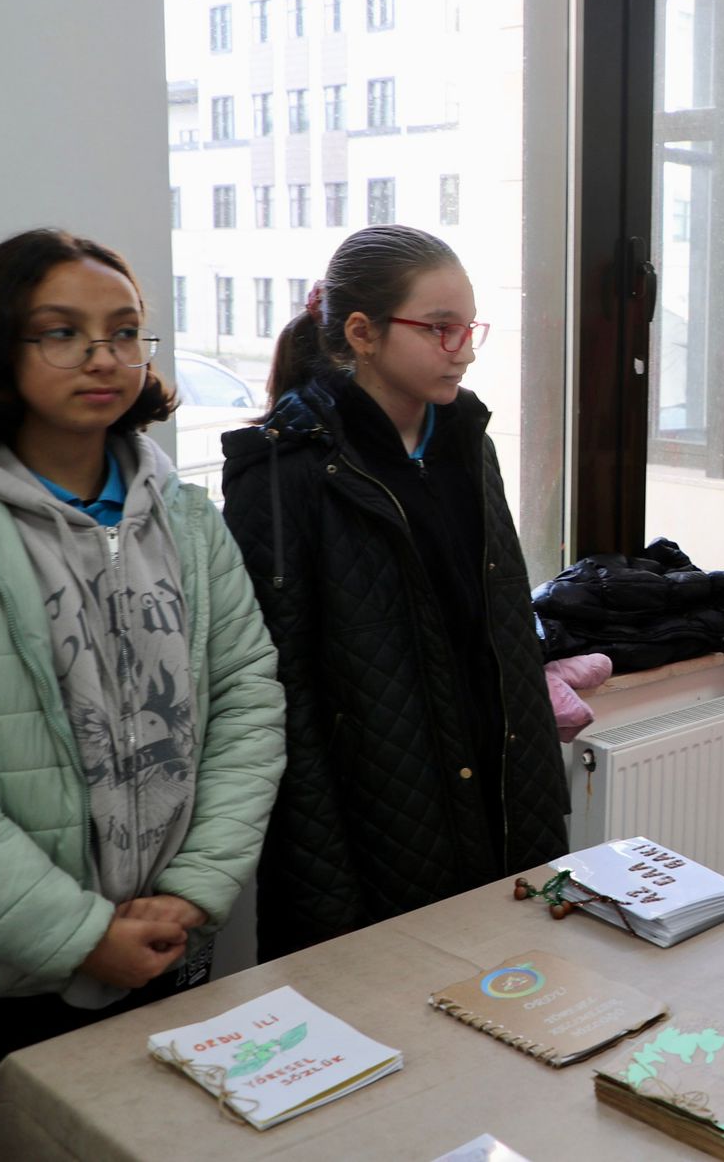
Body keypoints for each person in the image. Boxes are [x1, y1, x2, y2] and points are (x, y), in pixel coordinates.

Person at [0, 230, 285, 1160]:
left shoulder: (182, 513)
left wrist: (193, 890)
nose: (103, 357)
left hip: (172, 963)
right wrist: (79, 934)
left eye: (126, 332)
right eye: (61, 332)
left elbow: (250, 699)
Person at [220, 225, 570, 959]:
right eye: (439, 329)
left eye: (468, 328)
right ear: (363, 333)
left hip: (499, 806)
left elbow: (503, 635)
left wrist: (542, 814)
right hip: (372, 834)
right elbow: (283, 700)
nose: (464, 350)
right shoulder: (284, 476)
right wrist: (324, 897)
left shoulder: (469, 444)